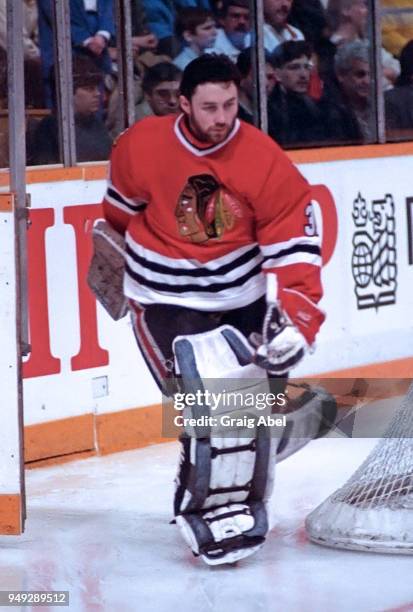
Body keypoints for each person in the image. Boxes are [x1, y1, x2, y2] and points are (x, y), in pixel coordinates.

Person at [101, 53, 324, 565]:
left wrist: (299, 316)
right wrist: (110, 258)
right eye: (209, 107)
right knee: (207, 413)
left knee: (240, 418)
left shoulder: (263, 157)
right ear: (183, 104)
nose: (223, 117)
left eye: (229, 104)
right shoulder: (141, 145)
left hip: (239, 298)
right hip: (162, 297)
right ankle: (262, 434)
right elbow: (118, 212)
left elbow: (293, 244)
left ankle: (274, 429)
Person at [29, 55, 112, 164]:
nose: (97, 94)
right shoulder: (50, 128)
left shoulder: (97, 124)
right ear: (67, 93)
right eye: (89, 89)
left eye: (97, 88)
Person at [268, 41, 325, 146]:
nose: (303, 75)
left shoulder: (320, 108)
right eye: (294, 68)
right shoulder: (269, 112)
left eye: (306, 67)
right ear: (277, 74)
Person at [236, 47, 276, 123]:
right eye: (258, 77)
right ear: (241, 77)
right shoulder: (231, 115)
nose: (266, 83)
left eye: (270, 77)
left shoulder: (274, 113)